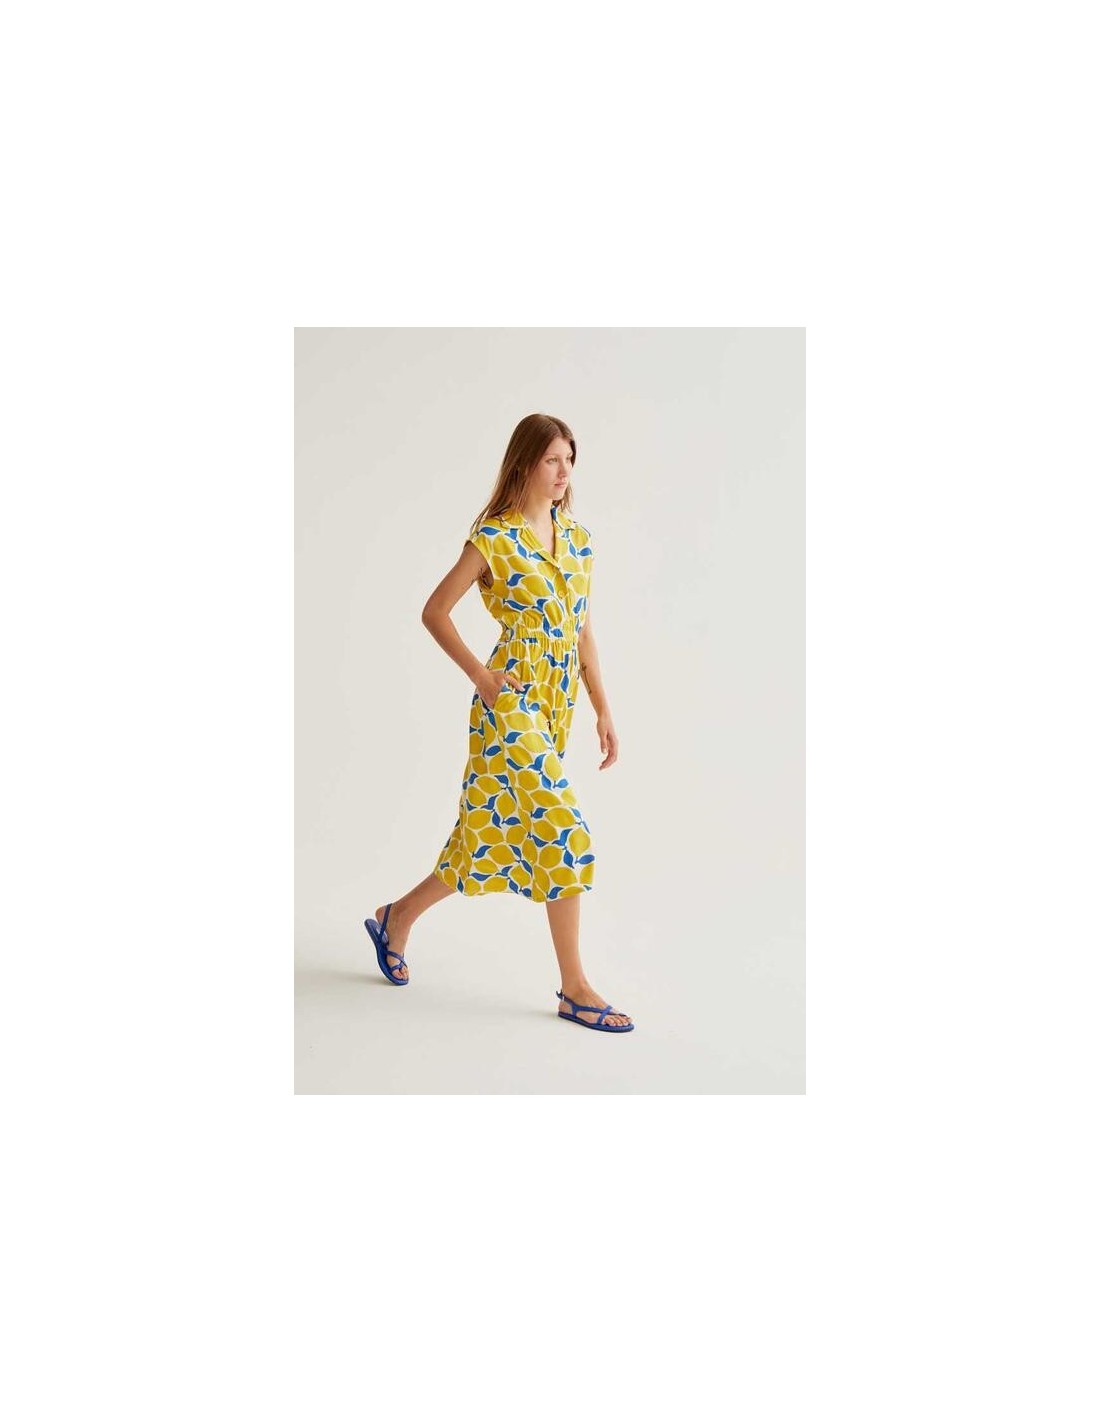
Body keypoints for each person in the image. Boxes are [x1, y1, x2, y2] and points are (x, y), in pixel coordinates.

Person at [364, 413, 634, 1032]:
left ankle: (396, 917)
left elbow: (581, 631)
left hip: (555, 704)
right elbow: (435, 611)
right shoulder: (495, 537)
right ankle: (575, 988)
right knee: (565, 831)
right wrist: (482, 678)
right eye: (552, 460)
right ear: (525, 463)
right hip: (508, 702)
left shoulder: (579, 540)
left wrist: (603, 708)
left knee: (482, 837)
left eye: (570, 459)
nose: (565, 471)